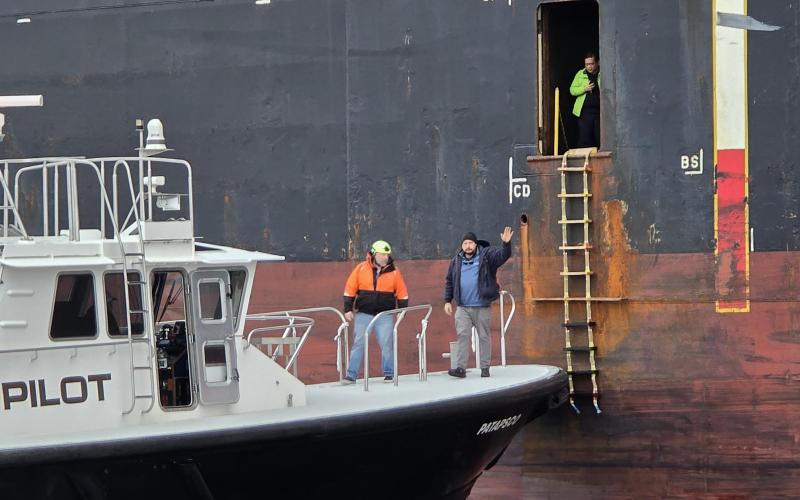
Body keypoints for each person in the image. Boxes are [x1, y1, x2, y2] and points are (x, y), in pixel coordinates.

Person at [443, 227, 513, 378]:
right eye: (465, 243)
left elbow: (503, 256)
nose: (468, 246)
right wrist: (447, 301)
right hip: (463, 307)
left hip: (482, 306)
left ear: (475, 244)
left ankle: (485, 368)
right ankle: (460, 368)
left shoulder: (486, 257)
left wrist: (506, 244)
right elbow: (449, 281)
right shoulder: (456, 261)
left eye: (470, 243)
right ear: (462, 245)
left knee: (484, 336)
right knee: (462, 335)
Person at [341, 240, 409, 384]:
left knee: (386, 344)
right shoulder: (360, 269)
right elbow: (350, 289)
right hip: (363, 314)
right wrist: (348, 309)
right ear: (373, 254)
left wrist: (402, 311)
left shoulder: (395, 272)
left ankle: (389, 373)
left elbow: (402, 293)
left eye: (387, 255)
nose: (385, 257)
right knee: (358, 343)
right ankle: (351, 375)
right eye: (382, 254)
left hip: (384, 315)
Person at [569, 52, 601, 149]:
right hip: (584, 112)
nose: (589, 67)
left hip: (600, 112)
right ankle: (584, 160)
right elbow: (572, 90)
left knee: (600, 137)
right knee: (585, 138)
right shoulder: (580, 74)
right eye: (587, 64)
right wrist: (584, 88)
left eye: (591, 64)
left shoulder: (601, 73)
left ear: (597, 63)